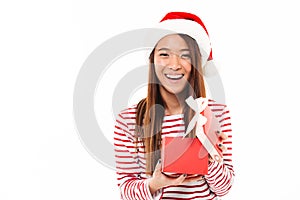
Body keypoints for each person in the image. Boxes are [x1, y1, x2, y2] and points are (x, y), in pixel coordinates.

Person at [114, 12, 234, 199]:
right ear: (152, 60)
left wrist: (209, 156)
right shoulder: (128, 120)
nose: (174, 64)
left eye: (185, 55)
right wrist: (155, 184)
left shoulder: (216, 113)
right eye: (164, 54)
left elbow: (224, 189)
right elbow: (125, 191)